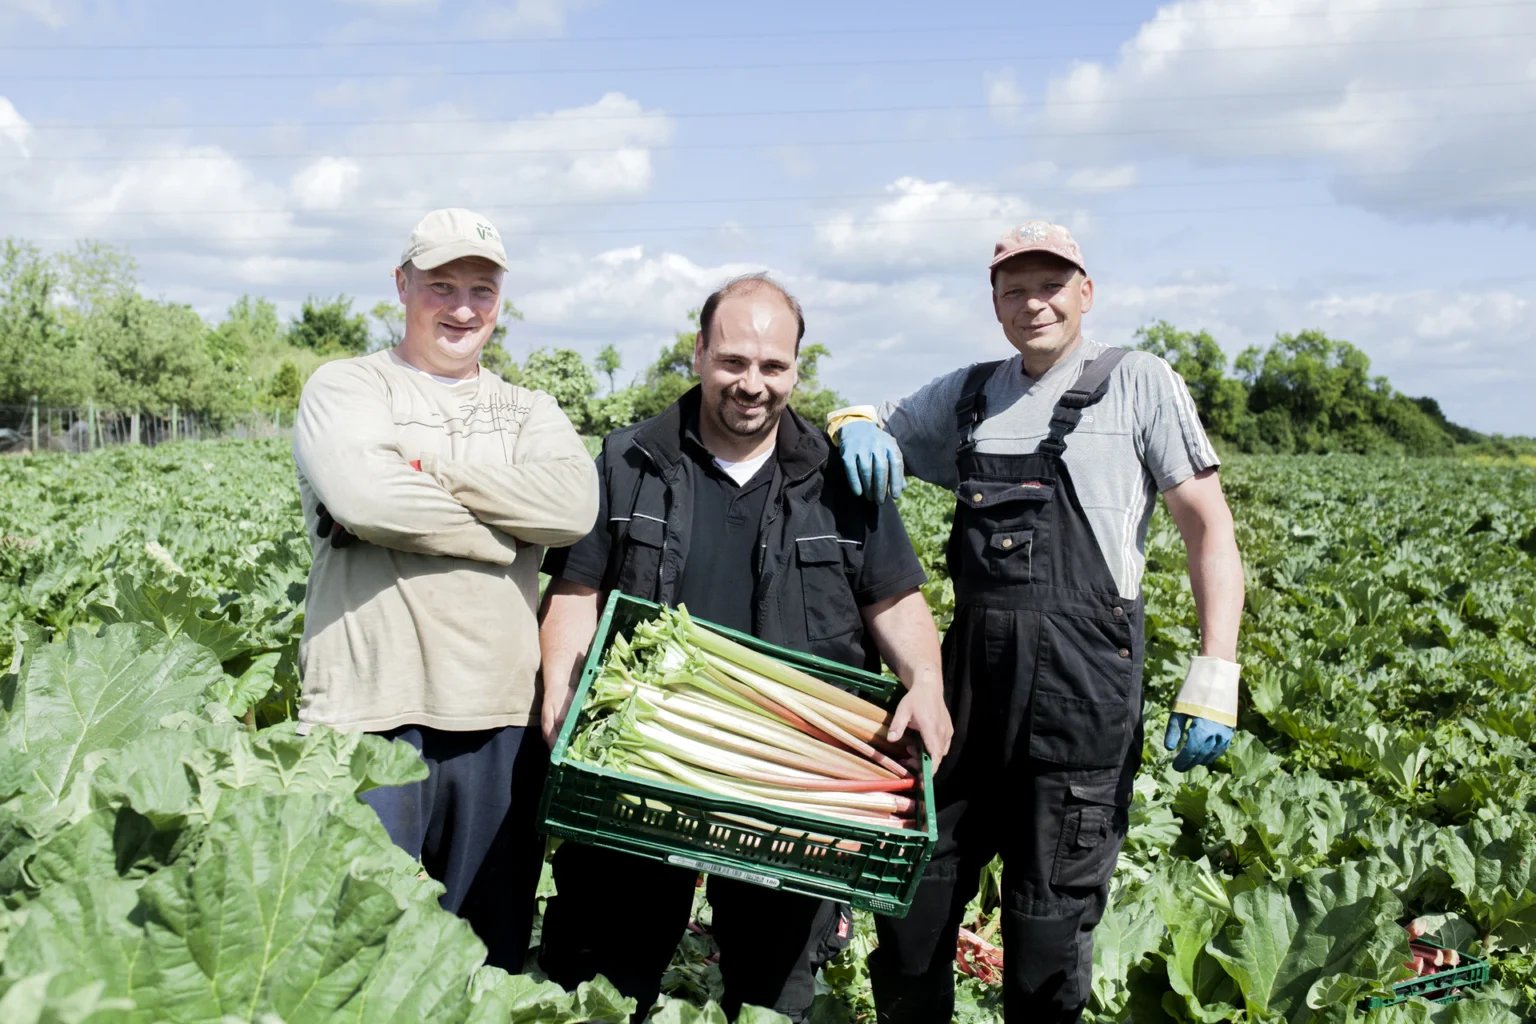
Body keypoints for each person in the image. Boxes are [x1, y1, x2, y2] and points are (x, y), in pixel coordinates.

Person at [827, 222, 1245, 1022]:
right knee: (916, 895)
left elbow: (1209, 530)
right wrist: (854, 426)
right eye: (1014, 289)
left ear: (1085, 292)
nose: (1033, 303)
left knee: (1047, 926)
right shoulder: (971, 393)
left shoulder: (1139, 382)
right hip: (969, 690)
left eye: (1051, 285)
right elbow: (874, 423)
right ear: (994, 303)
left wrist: (1215, 670)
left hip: (1082, 692)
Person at [537, 273, 954, 1023]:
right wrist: (560, 697)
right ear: (698, 354)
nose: (751, 385)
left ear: (797, 368)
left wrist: (925, 678)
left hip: (786, 795)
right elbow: (576, 592)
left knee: (772, 997)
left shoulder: (840, 479)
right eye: (732, 362)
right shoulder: (626, 461)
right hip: (641, 770)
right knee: (604, 985)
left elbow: (894, 599)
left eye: (772, 366)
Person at [292, 208, 599, 971]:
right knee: (350, 952)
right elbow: (366, 500)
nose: (462, 308)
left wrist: (433, 469)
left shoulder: (530, 410)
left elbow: (569, 509)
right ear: (401, 286)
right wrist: (501, 535)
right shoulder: (345, 386)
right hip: (363, 710)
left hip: (496, 714)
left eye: (481, 291)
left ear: (500, 301)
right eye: (441, 286)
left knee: (482, 958)